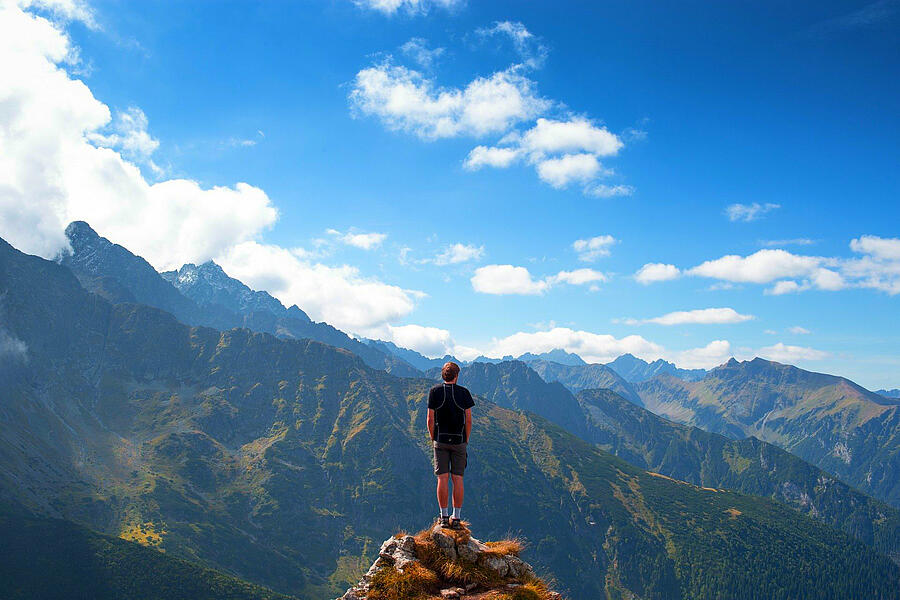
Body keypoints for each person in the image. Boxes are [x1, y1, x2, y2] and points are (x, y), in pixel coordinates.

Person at [427, 361, 474, 529]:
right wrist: (466, 439)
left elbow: (430, 419)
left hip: (440, 440)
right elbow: (468, 420)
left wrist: (434, 438)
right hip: (459, 440)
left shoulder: (434, 392)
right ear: (456, 375)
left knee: (442, 478)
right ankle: (457, 518)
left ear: (443, 375)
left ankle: (443, 516)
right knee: (458, 479)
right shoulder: (464, 393)